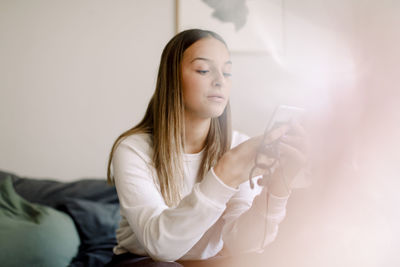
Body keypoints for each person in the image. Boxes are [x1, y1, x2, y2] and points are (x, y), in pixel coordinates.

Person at [105, 29, 306, 267]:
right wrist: (224, 174)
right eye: (203, 70)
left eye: (227, 72)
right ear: (172, 78)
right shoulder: (133, 149)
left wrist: (278, 187)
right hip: (145, 261)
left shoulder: (238, 145)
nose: (220, 80)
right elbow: (161, 248)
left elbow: (244, 244)